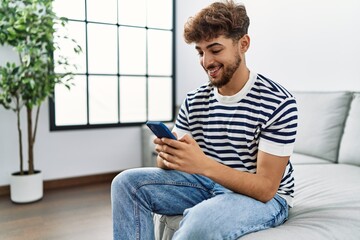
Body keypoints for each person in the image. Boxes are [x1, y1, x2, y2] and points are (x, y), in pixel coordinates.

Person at [111, 0, 298, 239]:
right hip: (205, 184)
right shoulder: (195, 99)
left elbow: (265, 189)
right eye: (200, 52)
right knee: (126, 183)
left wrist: (201, 164)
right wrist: (169, 156)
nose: (206, 62)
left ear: (243, 44)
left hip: (266, 199)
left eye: (215, 49)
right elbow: (169, 165)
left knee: (201, 222)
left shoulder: (278, 102)